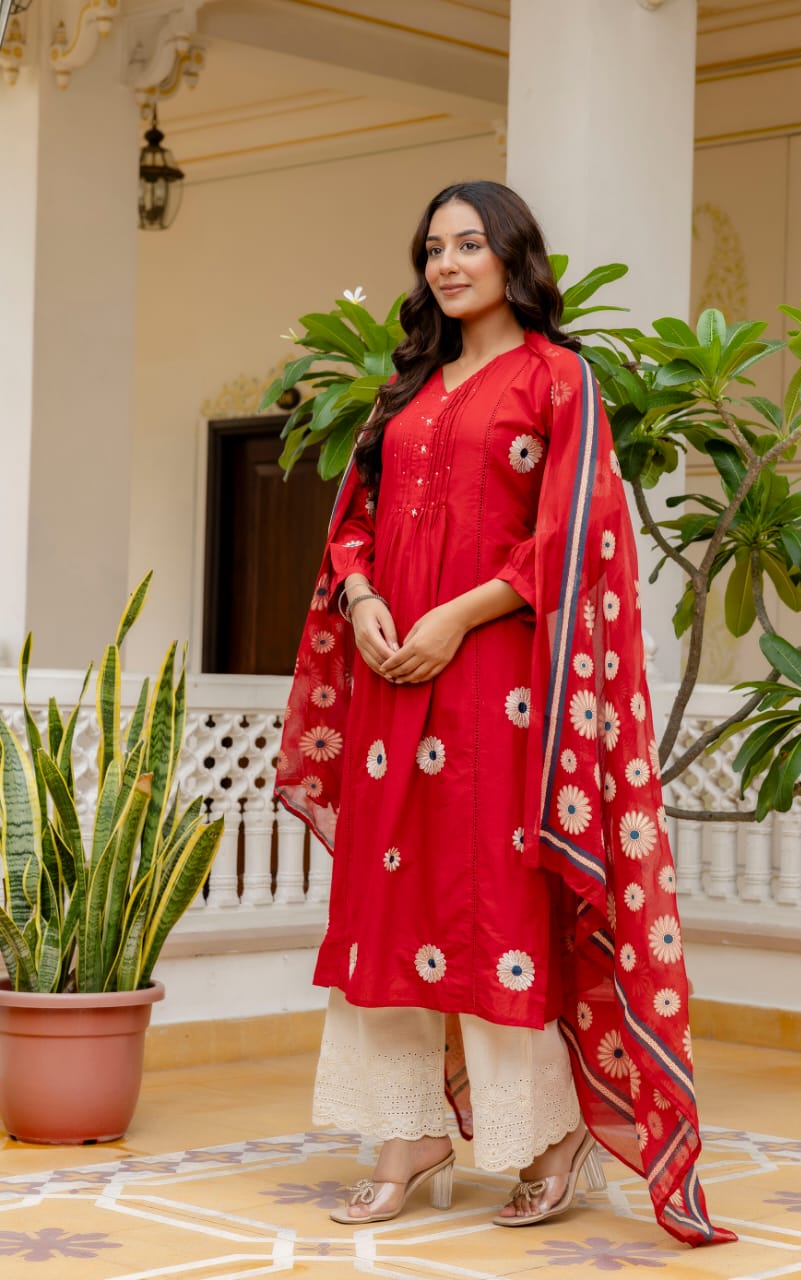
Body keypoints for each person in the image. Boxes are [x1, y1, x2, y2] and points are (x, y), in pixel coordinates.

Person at [275, 181, 735, 1247]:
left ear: (511, 254)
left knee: (492, 904)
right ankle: (405, 1134)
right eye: (432, 245)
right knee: (388, 905)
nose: (447, 262)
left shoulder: (557, 378)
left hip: (498, 684)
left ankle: (543, 1136)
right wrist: (369, 598)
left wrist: (455, 617)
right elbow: (356, 520)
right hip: (394, 675)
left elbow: (576, 531)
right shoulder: (411, 388)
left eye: (470, 243)